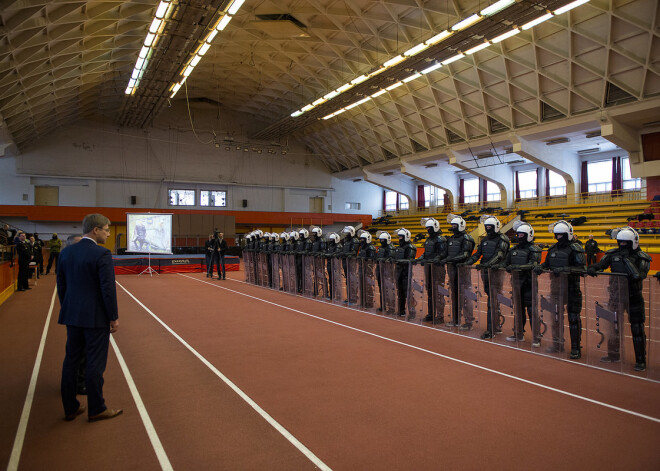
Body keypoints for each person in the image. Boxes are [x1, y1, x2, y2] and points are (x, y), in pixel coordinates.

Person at [57, 213, 122, 422]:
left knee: (71, 360)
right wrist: (113, 317)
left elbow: (62, 286)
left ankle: (70, 407)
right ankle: (97, 408)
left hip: (72, 314)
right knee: (95, 362)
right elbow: (108, 289)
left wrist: (68, 308)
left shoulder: (66, 253)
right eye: (106, 229)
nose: (108, 233)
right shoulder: (101, 254)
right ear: (96, 230)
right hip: (95, 317)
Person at [587, 226, 650, 371]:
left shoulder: (642, 257)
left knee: (637, 328)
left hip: (634, 297)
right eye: (620, 242)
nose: (621, 245)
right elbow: (601, 264)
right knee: (613, 326)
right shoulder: (613, 254)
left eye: (625, 243)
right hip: (615, 296)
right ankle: (613, 354)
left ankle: (641, 360)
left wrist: (626, 260)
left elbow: (638, 275)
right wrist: (592, 268)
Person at [534, 220, 586, 359]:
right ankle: (557, 344)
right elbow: (547, 263)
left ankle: (575, 348)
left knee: (573, 318)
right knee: (555, 316)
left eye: (561, 235)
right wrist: (541, 267)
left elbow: (582, 268)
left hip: (572, 288)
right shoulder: (552, 249)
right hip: (556, 288)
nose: (558, 237)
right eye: (556, 235)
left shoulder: (576, 248)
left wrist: (564, 270)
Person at [462, 215, 509, 339]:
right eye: (487, 227)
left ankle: (492, 328)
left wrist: (488, 264)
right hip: (486, 271)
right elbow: (478, 254)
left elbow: (499, 255)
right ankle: (495, 325)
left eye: (490, 227)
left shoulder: (502, 239)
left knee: (493, 300)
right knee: (491, 297)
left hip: (495, 271)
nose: (488, 229)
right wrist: (468, 262)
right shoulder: (484, 240)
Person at [502, 221, 542, 345]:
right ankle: (518, 334)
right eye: (518, 234)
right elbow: (505, 262)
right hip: (516, 283)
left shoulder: (534, 250)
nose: (519, 237)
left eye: (521, 235)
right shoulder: (513, 249)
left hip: (529, 284)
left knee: (531, 311)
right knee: (518, 310)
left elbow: (533, 264)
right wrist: (506, 266)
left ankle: (536, 337)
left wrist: (516, 267)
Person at [438, 214, 475, 327]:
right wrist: (440, 258)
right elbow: (446, 252)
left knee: (465, 294)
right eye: (452, 225)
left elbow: (465, 254)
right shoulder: (451, 239)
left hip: (462, 270)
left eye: (455, 225)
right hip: (452, 269)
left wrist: (448, 259)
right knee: (455, 295)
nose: (453, 227)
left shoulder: (467, 238)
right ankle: (455, 319)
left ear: (461, 225)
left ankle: (468, 321)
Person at [414, 218, 447, 322]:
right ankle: (431, 313)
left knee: (438, 291)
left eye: (430, 228)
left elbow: (443, 253)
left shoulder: (441, 239)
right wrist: (420, 259)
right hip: (428, 266)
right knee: (430, 290)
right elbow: (426, 253)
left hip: (437, 267)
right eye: (427, 228)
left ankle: (440, 315)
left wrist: (437, 258)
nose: (428, 230)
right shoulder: (428, 240)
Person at [393, 228, 416, 317]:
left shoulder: (410, 247)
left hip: (406, 272)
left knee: (408, 293)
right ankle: (401, 310)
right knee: (400, 293)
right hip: (398, 272)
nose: (399, 238)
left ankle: (412, 312)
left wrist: (399, 261)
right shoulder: (399, 248)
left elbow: (409, 259)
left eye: (401, 237)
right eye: (399, 237)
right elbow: (396, 257)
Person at [375, 231, 395, 311]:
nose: (381, 241)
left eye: (383, 240)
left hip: (388, 272)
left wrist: (383, 260)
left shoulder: (390, 248)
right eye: (381, 240)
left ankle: (391, 306)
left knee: (389, 289)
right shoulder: (380, 248)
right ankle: (383, 305)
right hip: (380, 270)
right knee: (381, 288)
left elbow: (390, 259)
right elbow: (377, 257)